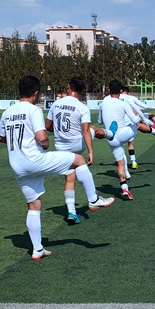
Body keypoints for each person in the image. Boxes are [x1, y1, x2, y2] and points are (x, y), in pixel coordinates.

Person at [0, 76, 103, 256]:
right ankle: (93, 199)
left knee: (34, 205)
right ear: (36, 93)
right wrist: (45, 143)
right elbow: (42, 136)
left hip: (17, 165)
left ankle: (37, 249)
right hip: (34, 160)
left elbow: (0, 137)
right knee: (78, 160)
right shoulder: (34, 110)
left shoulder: (7, 112)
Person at [45, 77, 115, 221]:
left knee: (69, 177)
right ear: (82, 91)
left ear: (68, 86)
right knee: (93, 129)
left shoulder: (56, 104)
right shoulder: (82, 107)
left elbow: (48, 126)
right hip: (77, 144)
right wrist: (91, 151)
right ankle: (110, 133)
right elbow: (85, 131)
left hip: (60, 146)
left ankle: (71, 212)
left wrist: (59, 132)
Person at [99, 80, 155, 200]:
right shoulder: (123, 103)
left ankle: (125, 188)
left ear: (109, 90)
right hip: (123, 133)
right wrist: (138, 116)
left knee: (120, 163)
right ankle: (154, 130)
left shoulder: (103, 103)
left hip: (111, 138)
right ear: (121, 91)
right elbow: (135, 120)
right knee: (137, 125)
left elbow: (100, 121)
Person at [120, 86, 155, 171]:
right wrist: (154, 107)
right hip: (133, 118)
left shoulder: (117, 98)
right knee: (147, 118)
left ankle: (133, 162)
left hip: (123, 121)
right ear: (128, 92)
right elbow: (143, 106)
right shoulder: (131, 98)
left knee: (129, 143)